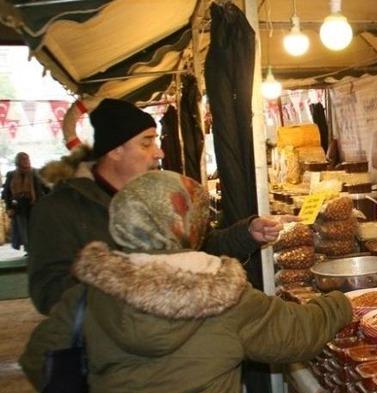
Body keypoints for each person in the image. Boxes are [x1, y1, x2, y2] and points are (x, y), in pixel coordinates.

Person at [19, 170, 351, 393]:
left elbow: (39, 360)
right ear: (191, 223)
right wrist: (342, 303)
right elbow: (295, 334)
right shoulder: (224, 294)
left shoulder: (85, 297)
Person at [27, 98, 284, 315]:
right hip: (107, 361)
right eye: (147, 142)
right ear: (115, 150)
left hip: (173, 345)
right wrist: (136, 287)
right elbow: (48, 293)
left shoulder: (155, 195)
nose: (159, 152)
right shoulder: (59, 209)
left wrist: (247, 233)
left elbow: (200, 246)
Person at [2, 152, 47, 250]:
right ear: (17, 161)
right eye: (23, 159)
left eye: (27, 159)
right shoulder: (11, 174)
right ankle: (29, 249)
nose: (26, 161)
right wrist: (9, 207)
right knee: (23, 230)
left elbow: (45, 188)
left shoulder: (35, 172)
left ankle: (36, 249)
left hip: (34, 204)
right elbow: (7, 192)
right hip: (19, 206)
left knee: (36, 228)